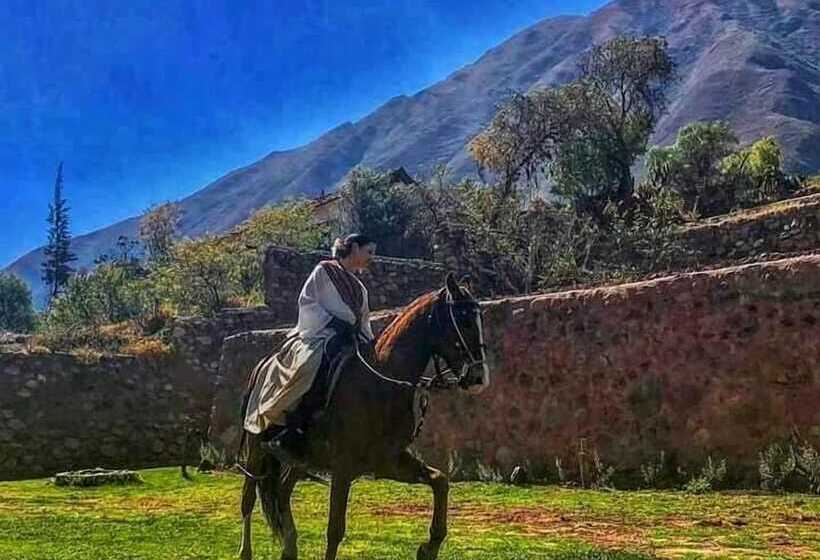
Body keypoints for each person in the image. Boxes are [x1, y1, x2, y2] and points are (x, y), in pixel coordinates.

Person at [243, 233, 376, 465]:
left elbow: (364, 321)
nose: (371, 258)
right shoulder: (324, 271)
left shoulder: (360, 288)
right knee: (310, 364)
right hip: (319, 334)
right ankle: (292, 427)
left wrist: (370, 343)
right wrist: (332, 322)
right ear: (354, 248)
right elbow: (308, 303)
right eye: (369, 252)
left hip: (351, 338)